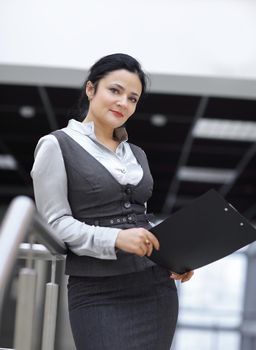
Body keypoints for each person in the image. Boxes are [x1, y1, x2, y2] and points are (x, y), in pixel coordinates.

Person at [31, 53, 194, 350]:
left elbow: (141, 218)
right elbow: (56, 223)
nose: (123, 103)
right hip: (98, 290)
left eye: (133, 98)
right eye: (115, 91)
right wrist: (116, 238)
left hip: (156, 287)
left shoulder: (137, 155)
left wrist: (174, 257)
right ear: (91, 89)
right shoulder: (56, 145)